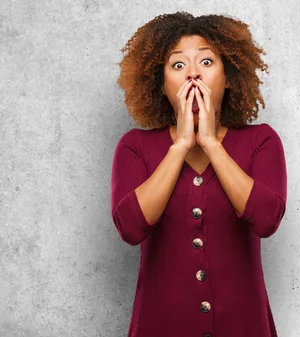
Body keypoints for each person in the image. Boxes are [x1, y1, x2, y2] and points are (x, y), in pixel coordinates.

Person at [110, 12, 287, 337]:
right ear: (161, 85)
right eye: (178, 65)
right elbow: (130, 228)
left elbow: (267, 220)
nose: (193, 74)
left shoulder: (261, 141)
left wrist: (210, 143)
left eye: (206, 62)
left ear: (229, 76)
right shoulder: (134, 146)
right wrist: (179, 147)